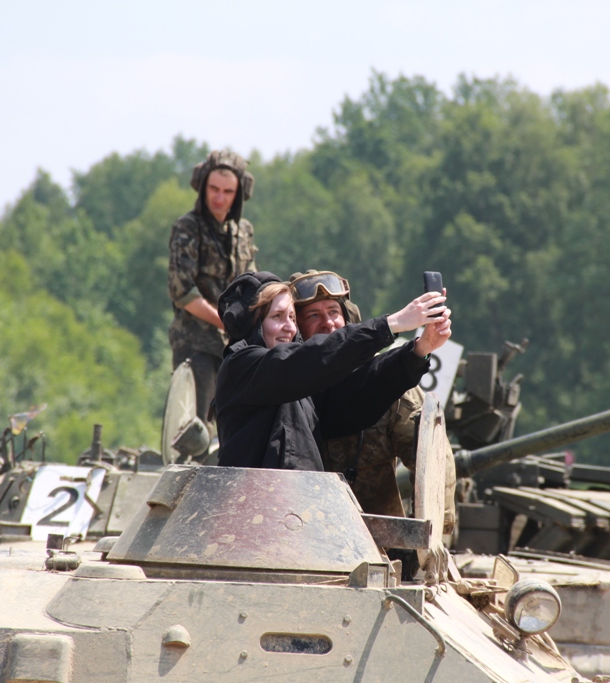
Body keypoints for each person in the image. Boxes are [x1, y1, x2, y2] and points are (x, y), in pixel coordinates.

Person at [213, 272, 452, 471]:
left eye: (292, 317)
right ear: (255, 323)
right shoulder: (242, 367)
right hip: (252, 507)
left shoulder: (300, 388)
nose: (288, 327)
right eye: (277, 316)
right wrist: (391, 324)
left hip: (299, 506)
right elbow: (305, 360)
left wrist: (419, 351)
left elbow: (356, 396)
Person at [290, 270, 456, 529]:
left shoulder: (389, 385)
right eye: (313, 315)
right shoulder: (284, 386)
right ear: (296, 328)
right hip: (300, 532)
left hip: (379, 541)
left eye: (334, 312)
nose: (328, 323)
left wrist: (431, 532)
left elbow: (431, 456)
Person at [168, 150, 257, 429]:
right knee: (196, 430)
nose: (220, 198)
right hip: (196, 344)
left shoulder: (243, 231)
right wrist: (226, 321)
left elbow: (253, 285)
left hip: (236, 347)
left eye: (228, 191)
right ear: (203, 187)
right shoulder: (188, 228)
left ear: (238, 194)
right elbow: (183, 292)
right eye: (214, 189)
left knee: (239, 427)